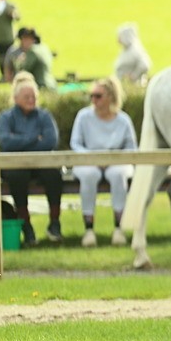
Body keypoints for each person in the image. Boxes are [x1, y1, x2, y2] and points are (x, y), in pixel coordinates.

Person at [0, 73, 64, 246]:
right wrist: (34, 138)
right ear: (16, 98)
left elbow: (50, 141)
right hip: (15, 166)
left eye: (33, 96)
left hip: (41, 163)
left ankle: (54, 223)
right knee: (17, 176)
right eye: (27, 97)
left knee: (54, 174)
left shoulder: (44, 116)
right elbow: (6, 142)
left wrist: (20, 140)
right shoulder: (6, 117)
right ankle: (26, 226)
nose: (31, 100)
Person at [70, 77, 138, 248]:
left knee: (118, 174)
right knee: (89, 175)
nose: (94, 99)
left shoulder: (123, 120)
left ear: (111, 97)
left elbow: (131, 147)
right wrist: (94, 158)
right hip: (89, 162)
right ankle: (89, 229)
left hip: (116, 163)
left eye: (98, 96)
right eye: (91, 95)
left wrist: (113, 159)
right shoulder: (83, 116)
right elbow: (76, 144)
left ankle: (119, 228)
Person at [14, 27, 56, 91]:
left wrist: (19, 62)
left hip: (41, 87)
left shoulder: (32, 51)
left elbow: (23, 70)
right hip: (52, 85)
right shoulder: (44, 47)